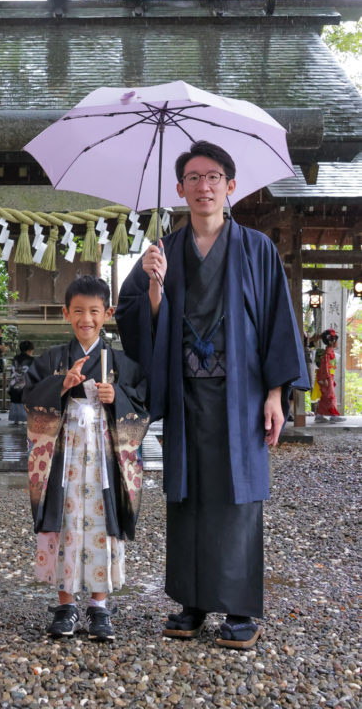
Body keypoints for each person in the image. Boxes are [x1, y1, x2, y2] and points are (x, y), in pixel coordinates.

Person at [116, 140, 309, 650]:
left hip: (241, 393)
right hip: (185, 394)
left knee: (237, 496)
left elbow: (276, 322)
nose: (204, 186)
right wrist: (154, 288)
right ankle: (192, 600)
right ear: (179, 189)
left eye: (214, 177)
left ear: (231, 186)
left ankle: (242, 608)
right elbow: (135, 320)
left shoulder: (257, 248)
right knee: (189, 495)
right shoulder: (163, 252)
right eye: (194, 178)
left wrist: (275, 394)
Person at [23, 276, 148, 642]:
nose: (86, 319)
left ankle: (98, 605)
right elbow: (29, 398)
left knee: (100, 519)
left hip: (104, 455)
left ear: (108, 313)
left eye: (94, 311)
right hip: (65, 452)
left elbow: (142, 403)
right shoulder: (52, 359)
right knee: (63, 516)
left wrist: (117, 397)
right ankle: (64, 603)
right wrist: (60, 385)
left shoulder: (121, 362)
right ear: (66, 313)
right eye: (78, 311)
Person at [314, 329, 345, 423]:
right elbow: (324, 366)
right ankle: (333, 415)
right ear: (332, 341)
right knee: (331, 396)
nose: (338, 343)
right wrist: (325, 378)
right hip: (326, 377)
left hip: (327, 376)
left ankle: (319, 415)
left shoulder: (329, 351)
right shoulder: (328, 352)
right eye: (336, 340)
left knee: (325, 397)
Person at [7, 340, 34, 424]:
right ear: (30, 350)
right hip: (26, 386)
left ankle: (16, 419)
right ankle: (24, 419)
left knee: (15, 401)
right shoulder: (32, 360)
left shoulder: (15, 358)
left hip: (14, 385)